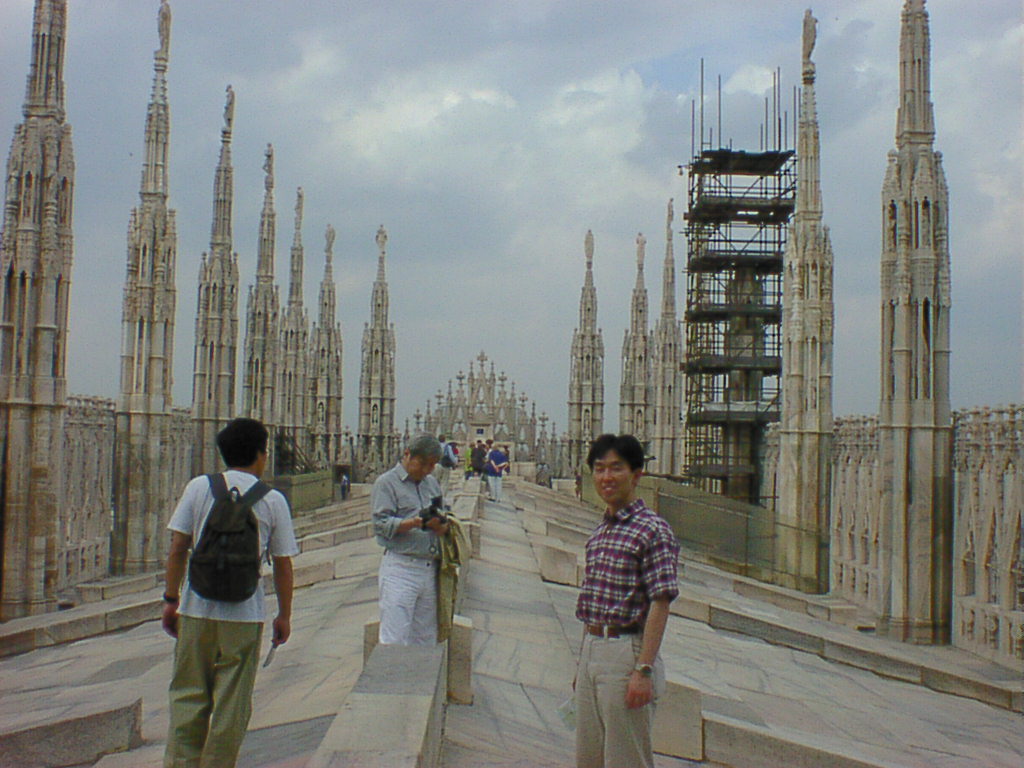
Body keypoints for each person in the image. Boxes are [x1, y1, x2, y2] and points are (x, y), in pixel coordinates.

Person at [162, 418, 299, 768]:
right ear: (260, 455)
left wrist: (171, 599)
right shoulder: (273, 500)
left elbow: (178, 548)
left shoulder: (198, 487)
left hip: (195, 610)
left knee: (187, 698)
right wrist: (284, 615)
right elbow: (283, 564)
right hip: (244, 616)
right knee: (231, 705)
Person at [573, 433, 680, 768]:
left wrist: (643, 669)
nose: (606, 477)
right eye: (599, 468)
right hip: (593, 648)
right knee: (588, 758)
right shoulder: (600, 532)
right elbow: (593, 601)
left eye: (616, 468)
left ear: (636, 475)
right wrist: (582, 663)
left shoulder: (652, 530)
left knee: (626, 759)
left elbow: (660, 602)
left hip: (626, 652)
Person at [372, 434, 450, 645]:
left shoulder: (431, 484)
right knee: (395, 637)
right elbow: (380, 525)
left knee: (425, 638)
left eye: (432, 465)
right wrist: (415, 523)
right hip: (401, 568)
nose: (427, 470)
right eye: (423, 464)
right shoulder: (386, 483)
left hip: (429, 568)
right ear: (407, 454)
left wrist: (440, 524)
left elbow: (444, 517)